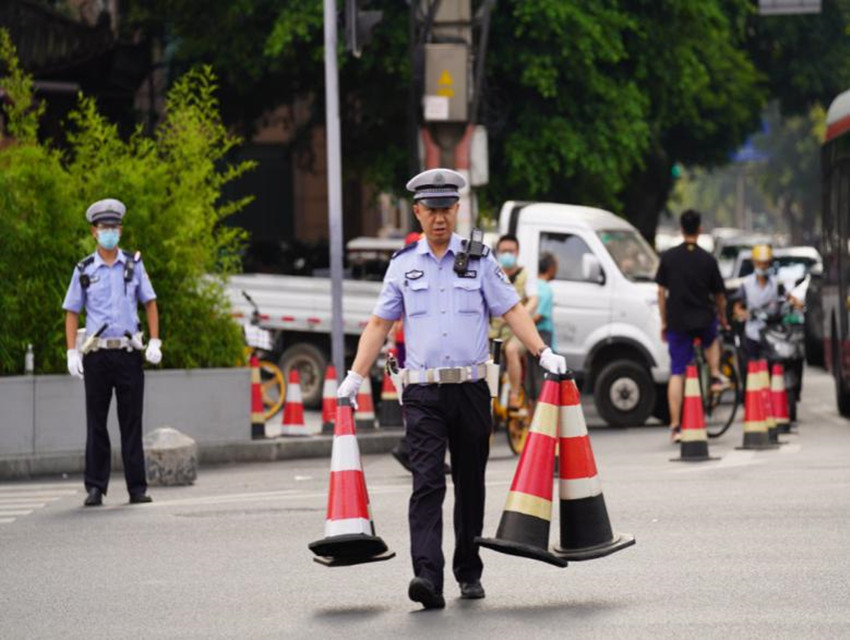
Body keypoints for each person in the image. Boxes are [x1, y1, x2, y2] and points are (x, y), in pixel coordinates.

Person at [336, 168, 566, 609]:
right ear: (417, 212)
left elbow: (512, 309)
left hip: (472, 388)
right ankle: (427, 575)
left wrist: (542, 352)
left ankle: (468, 569)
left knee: (470, 483)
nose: (439, 218)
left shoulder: (481, 260)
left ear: (457, 210)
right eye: (431, 210)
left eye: (447, 209)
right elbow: (380, 323)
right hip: (422, 393)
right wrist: (354, 376)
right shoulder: (403, 267)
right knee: (426, 483)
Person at [63, 199, 161, 507]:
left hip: (129, 353)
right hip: (98, 355)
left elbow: (150, 302)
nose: (110, 233)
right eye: (104, 228)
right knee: (97, 423)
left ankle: (137, 488)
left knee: (132, 422)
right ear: (94, 232)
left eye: (114, 228)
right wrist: (71, 352)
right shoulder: (84, 269)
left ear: (120, 230)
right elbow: (71, 311)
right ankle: (95, 487)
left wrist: (155, 341)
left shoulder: (133, 264)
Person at [655, 210, 728, 443]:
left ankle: (676, 427)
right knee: (712, 338)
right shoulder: (708, 259)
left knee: (677, 372)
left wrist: (664, 321)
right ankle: (715, 375)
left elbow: (660, 293)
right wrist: (724, 318)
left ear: (681, 228)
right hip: (703, 320)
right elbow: (719, 296)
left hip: (677, 322)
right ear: (699, 229)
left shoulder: (668, 257)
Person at [489, 234, 538, 412]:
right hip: (493, 332)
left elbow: (534, 300)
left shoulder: (526, 275)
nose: (507, 254)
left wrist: (520, 315)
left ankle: (515, 395)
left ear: (517, 252)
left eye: (510, 251)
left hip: (517, 333)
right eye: (503, 251)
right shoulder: (492, 273)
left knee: (511, 350)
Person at [733, 244, 803, 362]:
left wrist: (798, 304)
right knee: (753, 366)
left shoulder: (777, 283)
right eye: (759, 263)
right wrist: (743, 313)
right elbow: (737, 306)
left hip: (773, 333)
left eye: (765, 263)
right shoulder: (746, 284)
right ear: (754, 263)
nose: (762, 266)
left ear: (769, 263)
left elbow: (790, 298)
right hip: (752, 333)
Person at [528, 252, 558, 401]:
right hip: (543, 335)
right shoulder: (546, 289)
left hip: (528, 336)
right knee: (542, 376)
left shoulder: (532, 285)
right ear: (551, 268)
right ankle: (543, 411)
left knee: (531, 377)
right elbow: (539, 316)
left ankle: (532, 414)